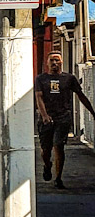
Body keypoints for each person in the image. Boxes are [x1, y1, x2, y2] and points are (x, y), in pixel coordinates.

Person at [35, 52, 95, 189]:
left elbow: (81, 95)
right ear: (47, 63)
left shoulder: (69, 78)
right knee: (45, 150)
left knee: (58, 145)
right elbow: (39, 97)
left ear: (61, 62)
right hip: (46, 118)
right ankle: (47, 164)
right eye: (52, 60)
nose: (54, 63)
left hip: (63, 117)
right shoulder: (41, 79)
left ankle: (58, 178)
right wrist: (44, 115)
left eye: (57, 60)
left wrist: (92, 111)